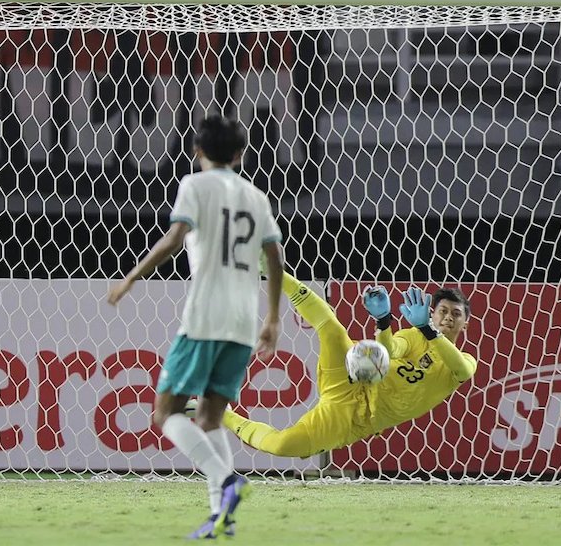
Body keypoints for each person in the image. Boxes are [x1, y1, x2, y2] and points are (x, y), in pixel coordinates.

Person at [107, 115, 284, 539]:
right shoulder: (257, 196)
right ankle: (222, 514)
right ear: (241, 154)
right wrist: (273, 319)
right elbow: (274, 257)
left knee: (165, 412)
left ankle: (227, 482)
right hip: (243, 322)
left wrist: (131, 277)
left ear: (197, 151)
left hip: (205, 316)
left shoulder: (193, 185)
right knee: (209, 418)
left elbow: (173, 239)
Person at [215, 272, 477, 459]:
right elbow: (388, 351)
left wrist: (429, 331)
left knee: (286, 446)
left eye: (456, 314)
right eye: (443, 311)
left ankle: (223, 413)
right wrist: (384, 321)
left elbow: (462, 371)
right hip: (351, 377)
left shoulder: (464, 361)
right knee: (331, 329)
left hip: (354, 417)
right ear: (432, 313)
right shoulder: (414, 336)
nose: (448, 317)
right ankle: (273, 269)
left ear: (465, 324)